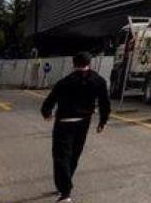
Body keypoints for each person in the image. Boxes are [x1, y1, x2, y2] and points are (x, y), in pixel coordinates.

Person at [41, 52, 110, 203]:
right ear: (89, 63)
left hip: (64, 122)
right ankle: (65, 184)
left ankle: (65, 192)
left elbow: (50, 100)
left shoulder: (65, 82)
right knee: (74, 155)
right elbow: (105, 102)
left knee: (61, 156)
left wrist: (46, 113)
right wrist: (103, 121)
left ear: (73, 64)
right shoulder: (98, 80)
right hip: (83, 122)